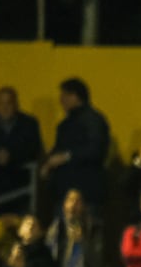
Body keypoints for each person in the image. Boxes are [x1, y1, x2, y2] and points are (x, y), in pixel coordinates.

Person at [0, 86, 44, 215]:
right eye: (0, 103)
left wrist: (11, 156)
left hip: (22, 188)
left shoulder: (29, 124)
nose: (4, 108)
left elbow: (34, 149)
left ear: (16, 104)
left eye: (8, 103)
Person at [41, 77, 111, 211]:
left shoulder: (92, 121)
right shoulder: (67, 123)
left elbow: (96, 150)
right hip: (67, 190)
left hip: (85, 191)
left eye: (64, 95)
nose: (61, 100)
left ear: (75, 96)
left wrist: (65, 157)